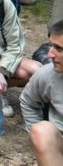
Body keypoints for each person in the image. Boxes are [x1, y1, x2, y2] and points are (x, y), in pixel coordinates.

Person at [20, 19, 63, 166]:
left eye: (59, 49)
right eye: (51, 45)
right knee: (41, 131)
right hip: (59, 141)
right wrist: (38, 140)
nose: (49, 54)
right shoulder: (48, 73)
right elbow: (27, 100)